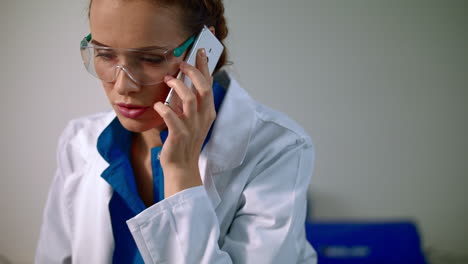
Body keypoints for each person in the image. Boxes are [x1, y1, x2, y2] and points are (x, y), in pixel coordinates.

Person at [35, 0, 317, 263]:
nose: (123, 86)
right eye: (105, 54)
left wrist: (181, 172)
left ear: (203, 49)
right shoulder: (78, 140)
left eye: (150, 58)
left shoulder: (279, 147)